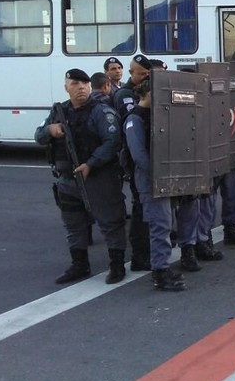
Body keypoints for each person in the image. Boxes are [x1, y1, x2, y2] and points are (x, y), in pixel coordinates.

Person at [35, 69, 128, 285]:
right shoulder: (59, 112)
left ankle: (117, 265)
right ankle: (79, 264)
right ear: (66, 87)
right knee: (73, 224)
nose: (81, 88)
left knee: (110, 221)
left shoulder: (101, 112)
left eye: (85, 83)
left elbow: (113, 141)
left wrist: (91, 163)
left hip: (98, 176)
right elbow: (38, 135)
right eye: (75, 83)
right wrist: (50, 130)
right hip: (67, 178)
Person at [122, 78, 192, 290]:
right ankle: (160, 272)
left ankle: (161, 268)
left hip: (161, 177)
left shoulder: (153, 115)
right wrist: (159, 174)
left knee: (164, 224)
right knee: (160, 226)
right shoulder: (135, 119)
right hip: (151, 179)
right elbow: (140, 156)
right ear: (149, 94)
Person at [111, 54, 153, 271]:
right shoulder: (126, 95)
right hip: (135, 162)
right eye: (142, 74)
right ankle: (139, 254)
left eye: (148, 74)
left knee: (148, 210)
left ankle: (146, 250)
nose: (146, 77)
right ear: (132, 74)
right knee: (141, 209)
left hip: (144, 160)